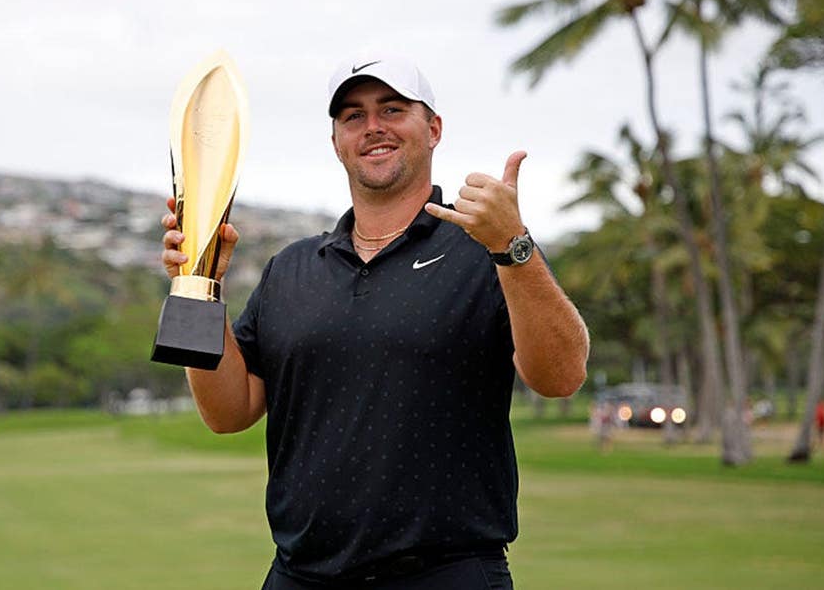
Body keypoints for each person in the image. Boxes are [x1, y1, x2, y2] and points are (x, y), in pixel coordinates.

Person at [160, 56, 589, 589]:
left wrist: (513, 248)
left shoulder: (486, 252)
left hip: (444, 574)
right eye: (353, 116)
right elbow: (228, 412)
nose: (373, 127)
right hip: (299, 575)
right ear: (337, 141)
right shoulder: (291, 268)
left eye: (393, 109)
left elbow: (561, 376)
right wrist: (199, 289)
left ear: (433, 129)